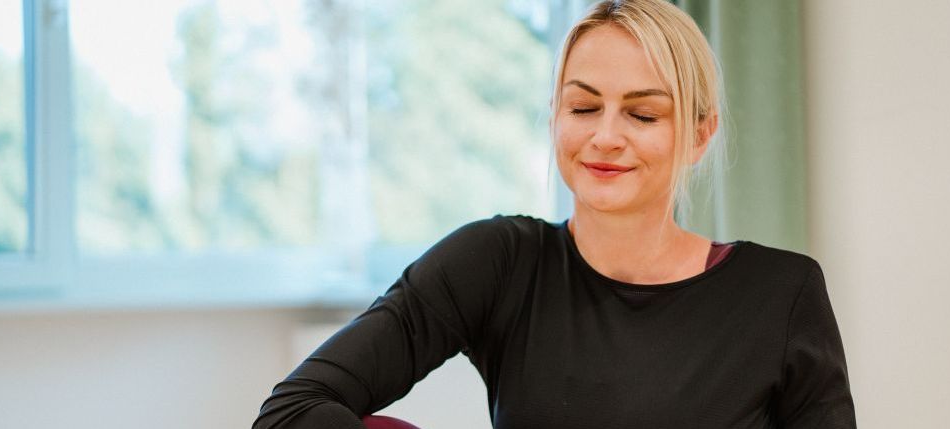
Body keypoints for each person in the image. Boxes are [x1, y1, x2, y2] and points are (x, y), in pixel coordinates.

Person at [253, 0, 856, 427]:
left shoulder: (781, 293)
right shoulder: (498, 262)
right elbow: (294, 408)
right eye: (583, 107)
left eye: (642, 115)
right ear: (554, 117)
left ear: (700, 135)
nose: (605, 137)